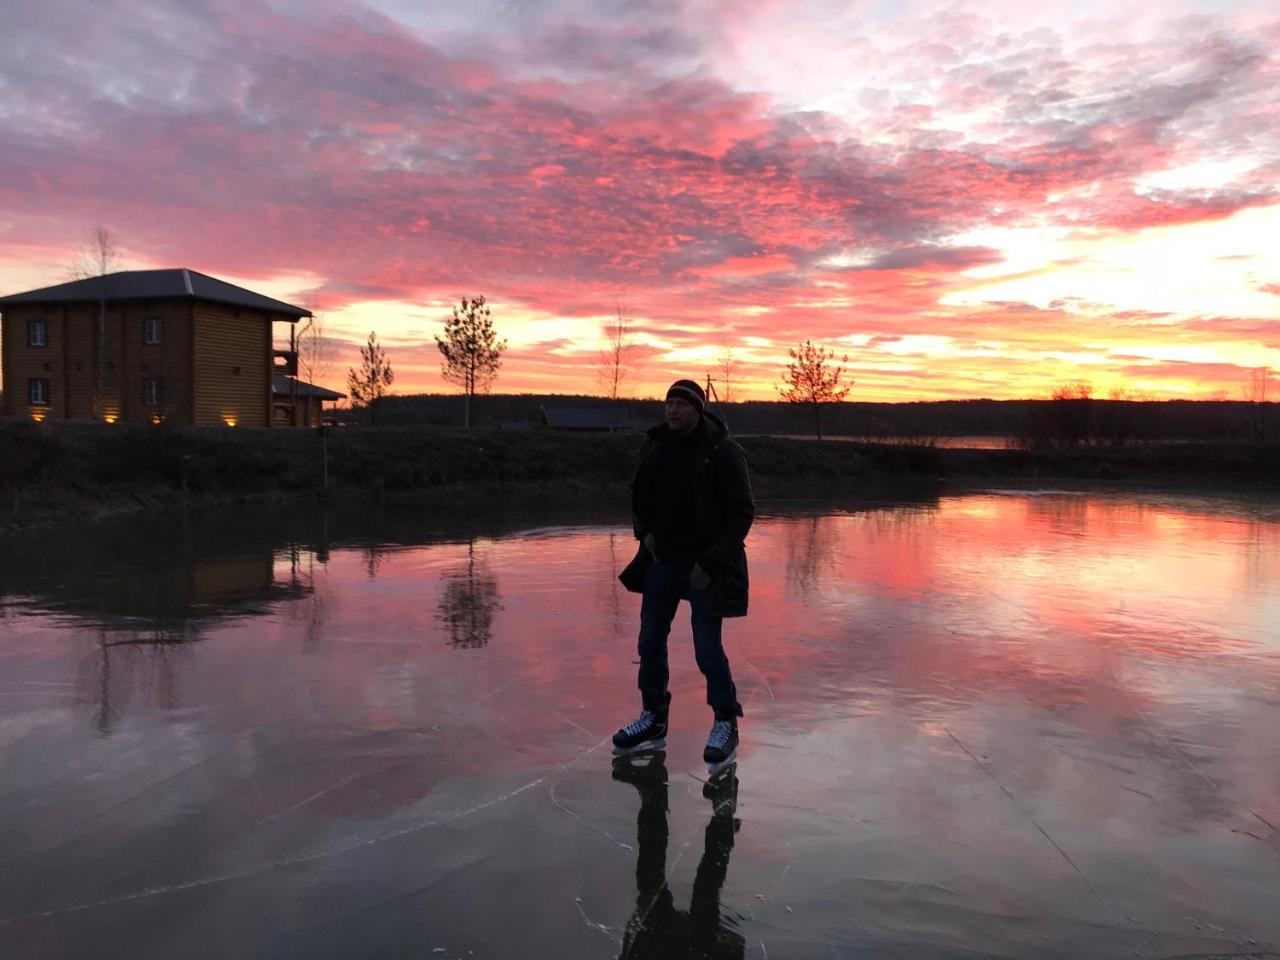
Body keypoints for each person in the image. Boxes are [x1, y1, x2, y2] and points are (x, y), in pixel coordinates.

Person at [614, 378, 754, 766]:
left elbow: (742, 512)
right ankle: (654, 717)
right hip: (663, 563)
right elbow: (638, 495)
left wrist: (710, 562)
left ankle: (725, 720)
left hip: (704, 568)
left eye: (680, 404)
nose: (672, 411)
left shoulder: (723, 451)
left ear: (699, 410)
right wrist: (645, 533)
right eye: (668, 403)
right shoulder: (655, 445)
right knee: (649, 642)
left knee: (707, 649)